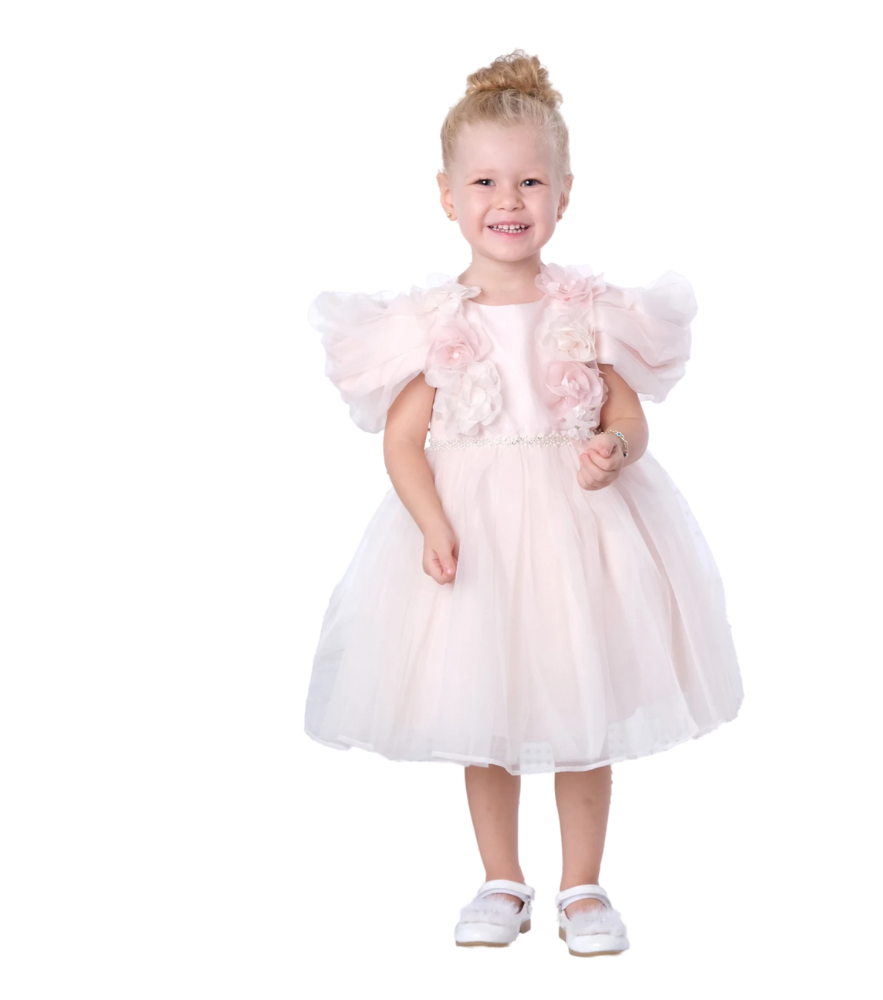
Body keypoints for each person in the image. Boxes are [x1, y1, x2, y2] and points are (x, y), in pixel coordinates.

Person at [303, 49, 744, 957]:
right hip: (478, 536)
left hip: (583, 531)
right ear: (447, 195)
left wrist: (616, 448)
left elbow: (627, 412)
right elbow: (402, 441)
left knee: (587, 702)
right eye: (485, 181)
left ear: (564, 194)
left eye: (531, 180)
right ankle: (501, 878)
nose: (509, 199)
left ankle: (583, 884)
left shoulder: (587, 307)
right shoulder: (436, 321)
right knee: (485, 703)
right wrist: (432, 522)